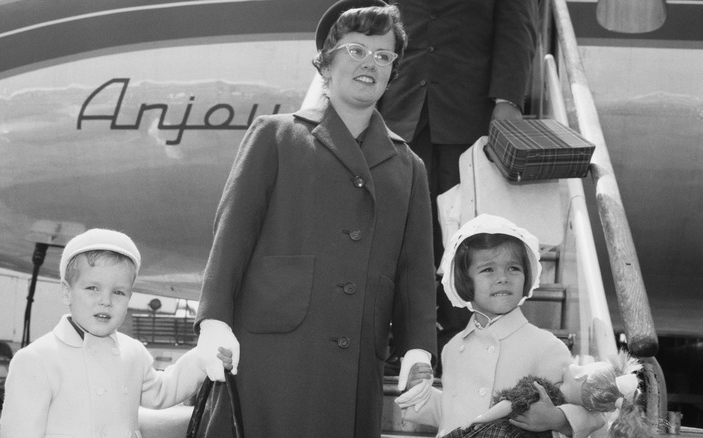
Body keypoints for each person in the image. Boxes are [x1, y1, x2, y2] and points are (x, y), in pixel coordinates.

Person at [192, 1, 437, 437]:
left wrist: (418, 348)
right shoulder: (276, 136)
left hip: (356, 360)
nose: (370, 64)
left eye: (384, 56)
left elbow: (415, 270)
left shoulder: (409, 166)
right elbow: (232, 236)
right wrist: (213, 320)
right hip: (271, 358)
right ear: (326, 61)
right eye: (356, 50)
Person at [377, 0, 541, 365]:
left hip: (466, 115)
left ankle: (460, 340)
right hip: (401, 114)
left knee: (466, 234)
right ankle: (404, 339)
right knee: (401, 235)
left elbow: (516, 31)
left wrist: (508, 99)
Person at [0, 228, 232, 438]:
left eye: (119, 292)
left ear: (129, 297)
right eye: (92, 288)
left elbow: (162, 391)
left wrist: (202, 358)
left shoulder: (133, 352)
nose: (106, 301)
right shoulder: (37, 359)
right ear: (66, 292)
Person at [395, 214, 604, 437]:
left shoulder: (545, 346)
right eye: (488, 269)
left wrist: (556, 418)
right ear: (465, 281)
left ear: (527, 276)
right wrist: (418, 390)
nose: (503, 278)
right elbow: (453, 413)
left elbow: (592, 412)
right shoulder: (452, 347)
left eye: (513, 268)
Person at [447, 350, 653, 438]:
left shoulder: (542, 384)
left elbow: (511, 403)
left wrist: (479, 420)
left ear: (581, 376)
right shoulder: (590, 415)